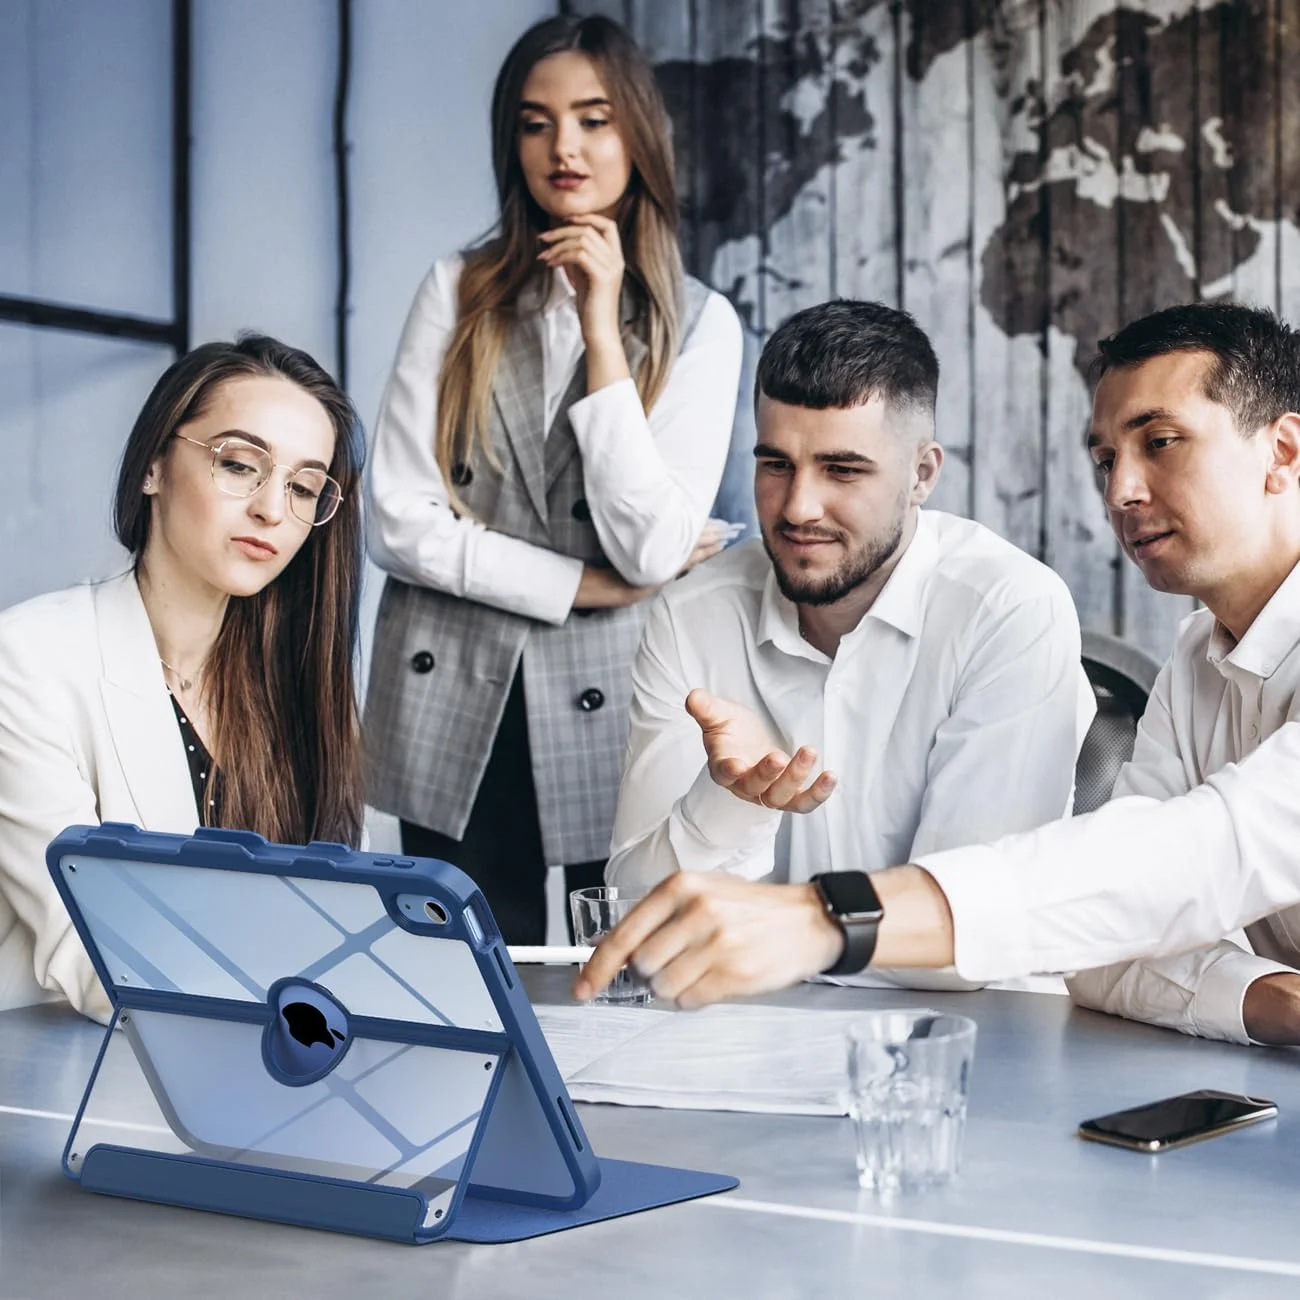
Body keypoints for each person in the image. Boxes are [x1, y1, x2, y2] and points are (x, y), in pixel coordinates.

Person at [574, 302, 1300, 1031]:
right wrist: (1276, 1002)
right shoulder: (1197, 658)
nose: (1119, 492)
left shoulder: (1005, 603)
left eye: (1162, 443)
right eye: (1106, 460)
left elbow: (1185, 863)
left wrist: (822, 919)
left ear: (1284, 451)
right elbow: (1114, 930)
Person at [363, 15, 743, 944]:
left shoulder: (701, 323)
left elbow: (647, 548)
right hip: (451, 681)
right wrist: (579, 585)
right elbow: (395, 520)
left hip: (613, 689)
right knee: (453, 968)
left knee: (613, 967)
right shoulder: (458, 289)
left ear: (638, 134)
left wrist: (604, 331)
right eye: (535, 123)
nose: (563, 147)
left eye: (593, 119)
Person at [605, 300, 1093, 988]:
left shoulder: (1010, 609)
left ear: (922, 475)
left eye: (842, 470)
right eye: (777, 464)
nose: (798, 507)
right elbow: (633, 915)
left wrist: (789, 930)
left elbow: (965, 941)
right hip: (749, 1028)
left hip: (971, 1030)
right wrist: (731, 800)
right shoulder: (692, 615)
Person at [0, 334, 366, 1020]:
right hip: (66, 1058)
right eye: (240, 465)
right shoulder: (26, 660)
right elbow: (98, 955)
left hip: (268, 1057)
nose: (271, 509)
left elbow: (347, 931)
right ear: (153, 467)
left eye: (302, 487)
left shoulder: (300, 690)